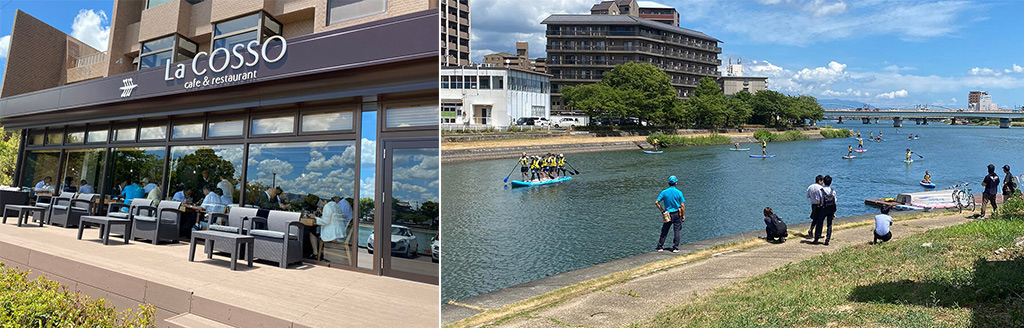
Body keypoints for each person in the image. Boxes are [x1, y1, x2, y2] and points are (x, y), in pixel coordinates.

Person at [654, 175, 685, 253]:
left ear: (668, 183)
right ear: (676, 183)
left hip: (668, 214)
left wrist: (662, 210)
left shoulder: (664, 192)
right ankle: (675, 247)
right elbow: (682, 205)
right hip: (677, 213)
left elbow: (656, 202)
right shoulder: (679, 192)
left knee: (664, 230)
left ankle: (660, 246)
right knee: (677, 230)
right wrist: (683, 215)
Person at [813, 175, 837, 245]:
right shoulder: (833, 191)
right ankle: (827, 240)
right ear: (830, 182)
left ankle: (816, 239)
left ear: (824, 182)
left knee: (819, 223)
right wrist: (834, 212)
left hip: (823, 209)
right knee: (829, 224)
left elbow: (818, 201)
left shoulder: (820, 191)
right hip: (830, 209)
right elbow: (835, 202)